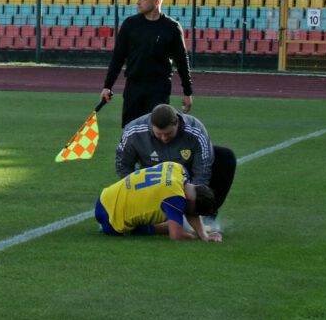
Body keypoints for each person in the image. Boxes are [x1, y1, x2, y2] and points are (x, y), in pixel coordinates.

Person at [116, 103, 236, 229]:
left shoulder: (196, 130)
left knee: (225, 156)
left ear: (177, 122)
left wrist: (194, 206)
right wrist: (134, 195)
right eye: (159, 134)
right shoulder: (133, 132)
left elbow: (202, 171)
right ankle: (159, 217)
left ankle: (206, 218)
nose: (164, 138)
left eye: (168, 133)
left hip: (186, 178)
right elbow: (123, 165)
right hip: (154, 182)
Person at [100, 0, 194, 127]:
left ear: (156, 2)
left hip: (159, 88)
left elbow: (181, 61)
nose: (137, 2)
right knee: (131, 131)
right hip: (133, 86)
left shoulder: (172, 27)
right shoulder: (130, 25)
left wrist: (187, 92)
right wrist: (108, 86)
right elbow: (118, 57)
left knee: (156, 130)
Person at [94, 161, 222, 241]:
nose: (189, 213)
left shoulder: (178, 169)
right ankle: (118, 226)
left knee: (175, 221)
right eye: (193, 211)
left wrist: (203, 234)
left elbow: (191, 207)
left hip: (105, 196)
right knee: (174, 228)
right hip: (111, 222)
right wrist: (195, 237)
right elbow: (176, 236)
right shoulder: (175, 197)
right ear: (190, 201)